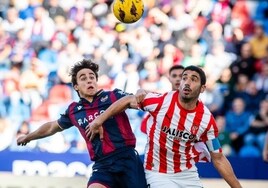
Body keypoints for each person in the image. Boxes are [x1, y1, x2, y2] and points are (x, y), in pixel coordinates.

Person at [86, 65, 242, 188]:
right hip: (157, 172)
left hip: (187, 173)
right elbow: (127, 100)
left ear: (202, 88)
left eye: (193, 79)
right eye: (184, 78)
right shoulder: (161, 102)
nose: (187, 82)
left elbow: (218, 158)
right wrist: (99, 120)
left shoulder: (206, 120)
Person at [17, 59, 147, 188]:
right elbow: (52, 127)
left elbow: (131, 100)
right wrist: (28, 137)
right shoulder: (74, 110)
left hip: (126, 159)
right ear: (76, 86)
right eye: (83, 78)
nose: (89, 80)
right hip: (102, 165)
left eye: (92, 77)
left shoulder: (113, 96)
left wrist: (140, 92)